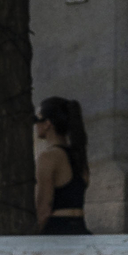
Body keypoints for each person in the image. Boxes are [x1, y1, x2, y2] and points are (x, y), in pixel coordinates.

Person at [36, 97, 90, 235]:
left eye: (37, 120)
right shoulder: (79, 156)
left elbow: (44, 208)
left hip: (57, 230)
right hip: (80, 229)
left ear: (47, 123)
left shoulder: (48, 157)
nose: (35, 125)